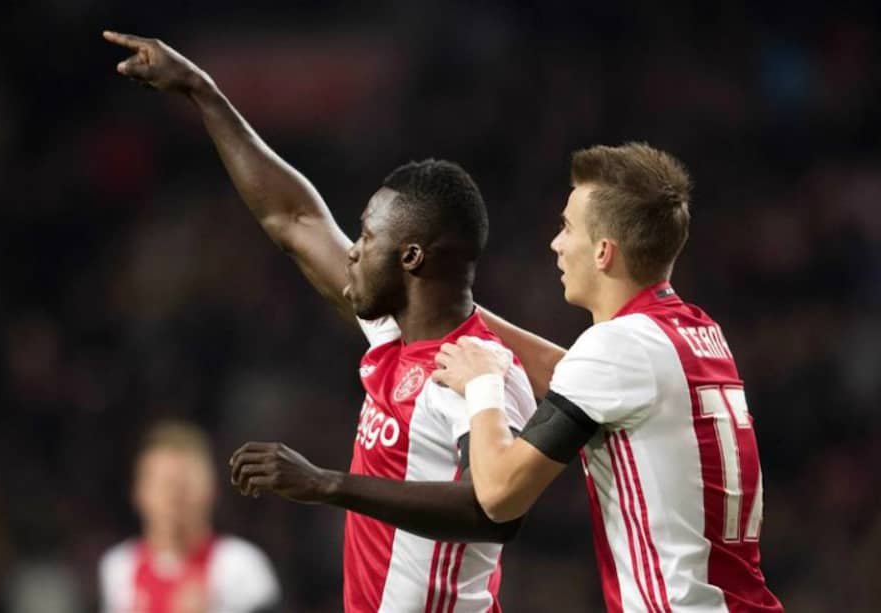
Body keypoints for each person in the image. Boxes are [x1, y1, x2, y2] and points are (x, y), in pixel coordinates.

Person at [102, 31, 537, 613]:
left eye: (367, 237)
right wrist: (200, 91)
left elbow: (491, 513)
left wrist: (325, 484)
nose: (352, 250)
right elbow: (294, 216)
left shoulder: (481, 371)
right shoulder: (393, 334)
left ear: (410, 257)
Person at [432, 143, 784, 612]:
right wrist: (460, 313)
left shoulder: (619, 349)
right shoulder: (696, 332)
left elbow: (499, 495)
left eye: (567, 227)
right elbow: (574, 377)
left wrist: (482, 385)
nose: (556, 243)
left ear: (603, 252)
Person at [99, 420, 281, 613]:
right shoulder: (119, 568)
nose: (174, 498)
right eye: (165, 484)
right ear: (139, 493)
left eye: (185, 485)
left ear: (212, 489)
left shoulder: (241, 567)